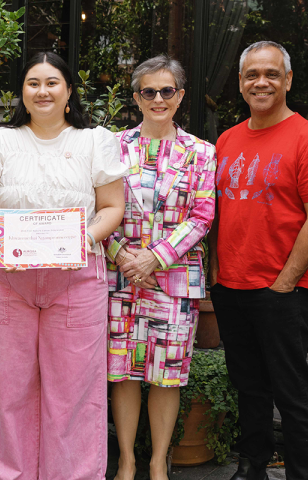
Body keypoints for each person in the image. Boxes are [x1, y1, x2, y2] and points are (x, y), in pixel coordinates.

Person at [0, 51, 127, 480]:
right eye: (33, 82)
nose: (43, 91)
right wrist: (6, 246)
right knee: (7, 388)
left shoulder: (95, 141)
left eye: (52, 82)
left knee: (73, 392)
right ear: (21, 91)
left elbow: (113, 207)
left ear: (69, 90)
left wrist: (80, 239)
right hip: (6, 280)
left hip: (76, 280)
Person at [209, 41, 308, 480]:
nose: (260, 82)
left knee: (291, 393)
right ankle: (253, 467)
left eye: (270, 73)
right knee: (248, 387)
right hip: (231, 287)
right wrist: (216, 274)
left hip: (280, 290)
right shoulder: (228, 139)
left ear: (287, 80)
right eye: (251, 75)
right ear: (242, 84)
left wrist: (285, 282)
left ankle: (301, 474)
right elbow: (218, 212)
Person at [103, 55, 216, 480]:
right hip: (120, 278)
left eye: (166, 91)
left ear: (180, 96)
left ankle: (157, 463)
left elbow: (202, 216)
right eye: (148, 91)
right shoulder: (111, 147)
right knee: (124, 371)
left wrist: (155, 256)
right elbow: (96, 207)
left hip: (174, 282)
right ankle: (128, 460)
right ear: (135, 97)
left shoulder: (201, 152)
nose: (157, 99)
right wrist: (123, 256)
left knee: (166, 376)